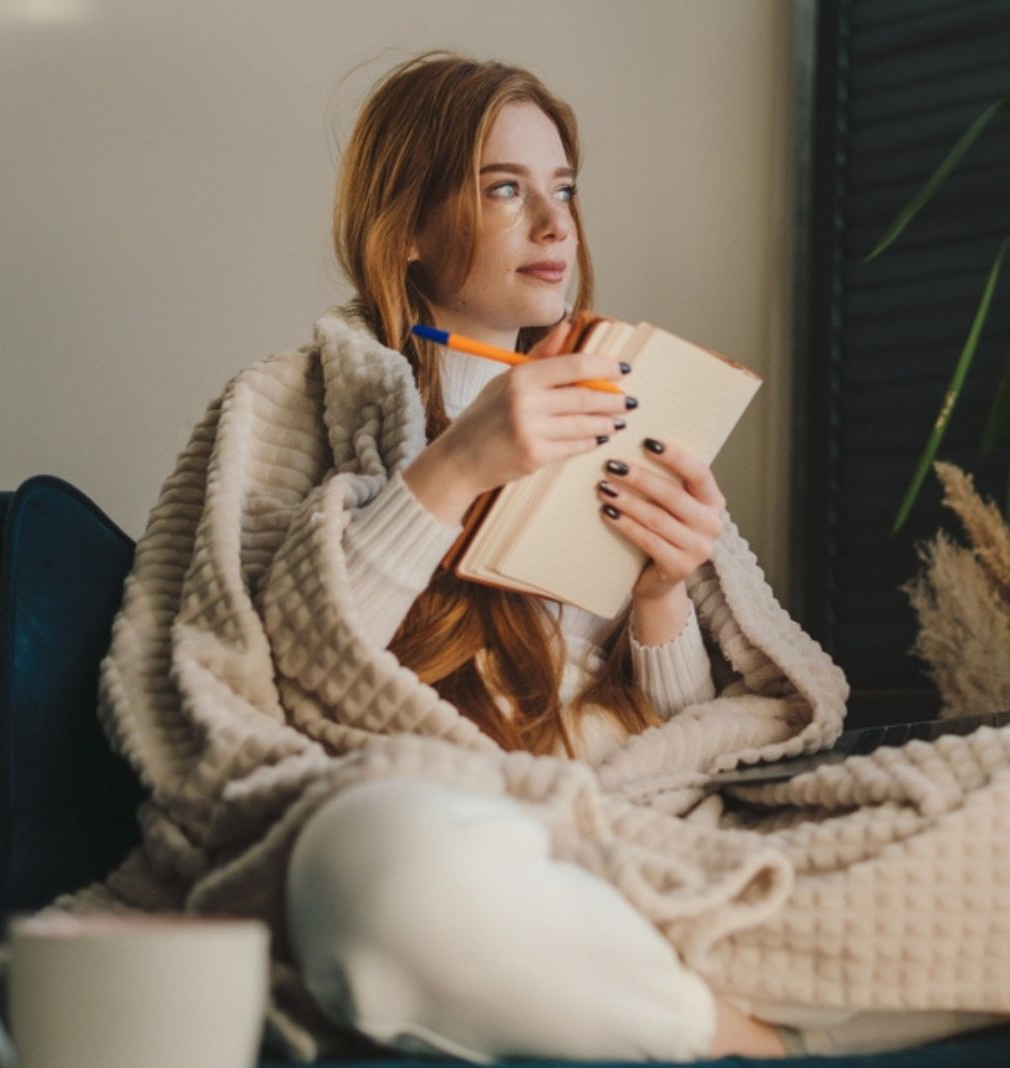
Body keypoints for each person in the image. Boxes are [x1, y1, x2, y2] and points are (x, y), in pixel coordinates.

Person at [278, 50, 808, 1062]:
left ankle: (656, 991)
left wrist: (659, 598)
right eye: (505, 190)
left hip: (641, 831)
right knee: (366, 859)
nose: (556, 225)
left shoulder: (616, 399)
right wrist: (454, 469)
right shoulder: (304, 408)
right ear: (410, 232)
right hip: (474, 836)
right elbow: (293, 670)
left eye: (562, 189)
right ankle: (731, 1034)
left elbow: (685, 751)